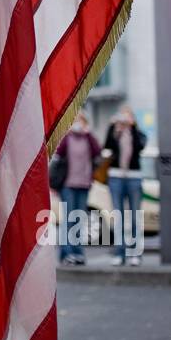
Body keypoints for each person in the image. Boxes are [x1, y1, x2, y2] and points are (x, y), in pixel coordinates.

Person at [102, 105, 146, 266]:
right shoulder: (116, 133)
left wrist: (132, 128)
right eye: (123, 116)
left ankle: (135, 253)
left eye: (128, 117)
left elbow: (139, 147)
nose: (124, 120)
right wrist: (112, 127)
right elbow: (106, 146)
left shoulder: (138, 134)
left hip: (134, 177)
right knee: (118, 217)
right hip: (115, 177)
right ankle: (119, 253)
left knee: (135, 216)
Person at [55, 112, 101, 265]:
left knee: (79, 220)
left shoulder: (88, 139)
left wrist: (89, 134)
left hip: (84, 184)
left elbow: (97, 152)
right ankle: (67, 253)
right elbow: (58, 153)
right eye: (75, 121)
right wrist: (65, 131)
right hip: (68, 184)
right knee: (68, 220)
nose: (78, 124)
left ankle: (78, 253)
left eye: (81, 121)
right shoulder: (67, 138)